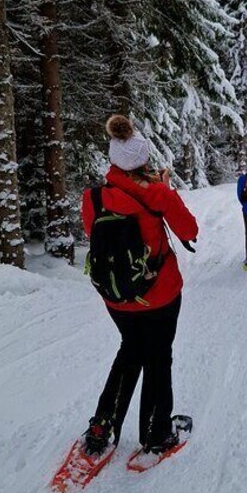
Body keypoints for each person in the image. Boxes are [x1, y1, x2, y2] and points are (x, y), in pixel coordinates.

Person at [80, 114, 198, 460]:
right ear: (143, 160)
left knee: (130, 351)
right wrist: (163, 190)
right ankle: (156, 433)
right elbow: (189, 230)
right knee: (158, 357)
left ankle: (102, 426)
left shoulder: (94, 197)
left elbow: (98, 237)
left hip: (116, 297)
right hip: (159, 295)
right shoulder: (158, 193)